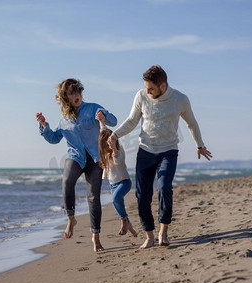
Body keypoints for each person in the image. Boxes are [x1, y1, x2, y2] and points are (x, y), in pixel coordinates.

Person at [108, 65, 212, 249]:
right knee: (142, 195)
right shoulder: (141, 96)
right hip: (146, 151)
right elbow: (132, 120)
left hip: (168, 151)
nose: (147, 92)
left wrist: (200, 145)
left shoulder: (180, 99)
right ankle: (149, 236)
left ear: (162, 86)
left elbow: (191, 123)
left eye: (151, 89)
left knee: (164, 187)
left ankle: (163, 232)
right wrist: (116, 134)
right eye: (146, 88)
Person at [36, 78, 117, 252]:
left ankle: (96, 237)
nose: (76, 95)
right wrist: (44, 126)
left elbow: (114, 121)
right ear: (66, 97)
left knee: (93, 197)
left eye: (78, 91)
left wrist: (104, 115)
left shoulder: (93, 107)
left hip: (96, 159)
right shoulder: (64, 119)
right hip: (76, 157)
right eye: (72, 93)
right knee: (67, 181)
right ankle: (71, 218)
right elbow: (54, 138)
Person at [96, 112, 138, 238]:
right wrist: (101, 121)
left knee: (115, 200)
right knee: (117, 203)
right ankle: (129, 226)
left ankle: (124, 221)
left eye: (109, 142)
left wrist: (113, 148)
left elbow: (118, 161)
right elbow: (103, 131)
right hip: (113, 184)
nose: (107, 146)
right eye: (105, 144)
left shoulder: (119, 150)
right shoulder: (104, 152)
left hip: (124, 182)